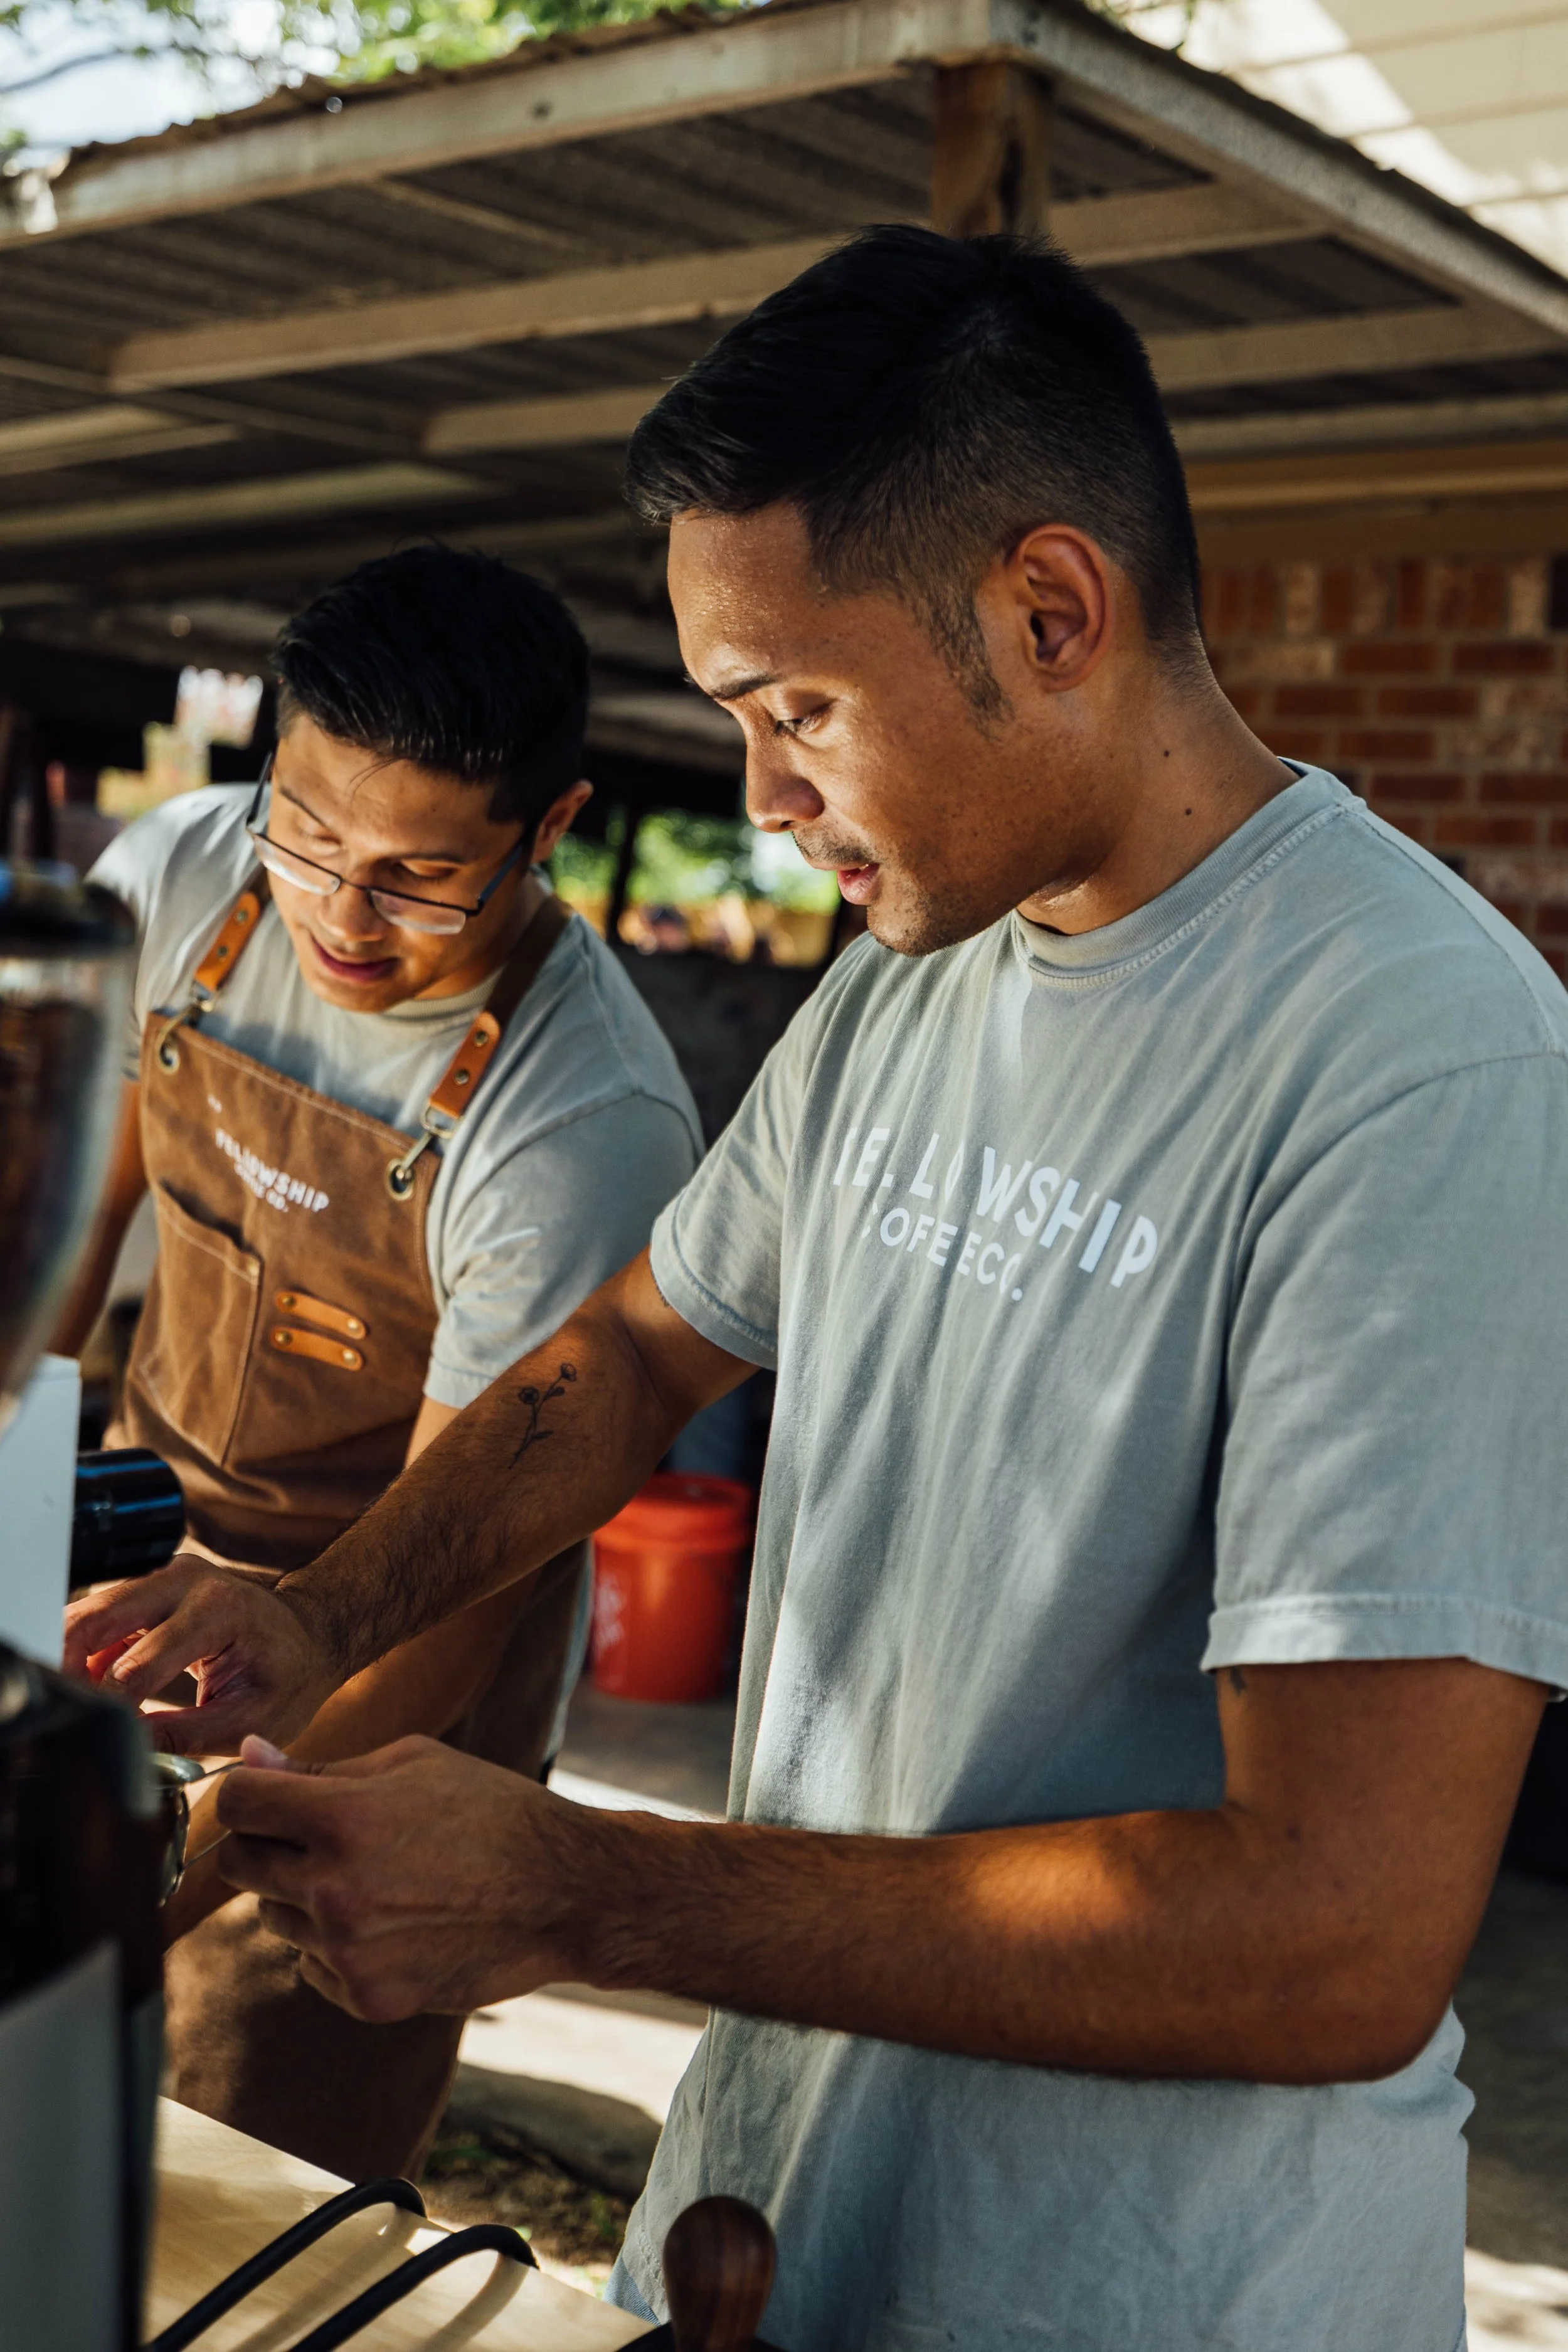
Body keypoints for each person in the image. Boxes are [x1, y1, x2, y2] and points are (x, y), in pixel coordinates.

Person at [66, 231, 1568, 2350]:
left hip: (1143, 2291)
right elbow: (622, 1359)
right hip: (779, 2192)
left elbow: (1331, 1935)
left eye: (797, 712)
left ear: (1052, 610)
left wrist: (582, 1884)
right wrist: (318, 1611)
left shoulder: (1417, 1059)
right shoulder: (909, 985)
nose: (763, 802)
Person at [61, 544, 701, 2182]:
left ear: (544, 832)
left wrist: (173, 1861)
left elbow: (448, 1593)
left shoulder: (578, 1124)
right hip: (129, 1574)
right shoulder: (186, 881)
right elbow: (70, 1240)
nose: (339, 914)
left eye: (417, 878)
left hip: (391, 1691)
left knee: (239, 2190)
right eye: (309, 831)